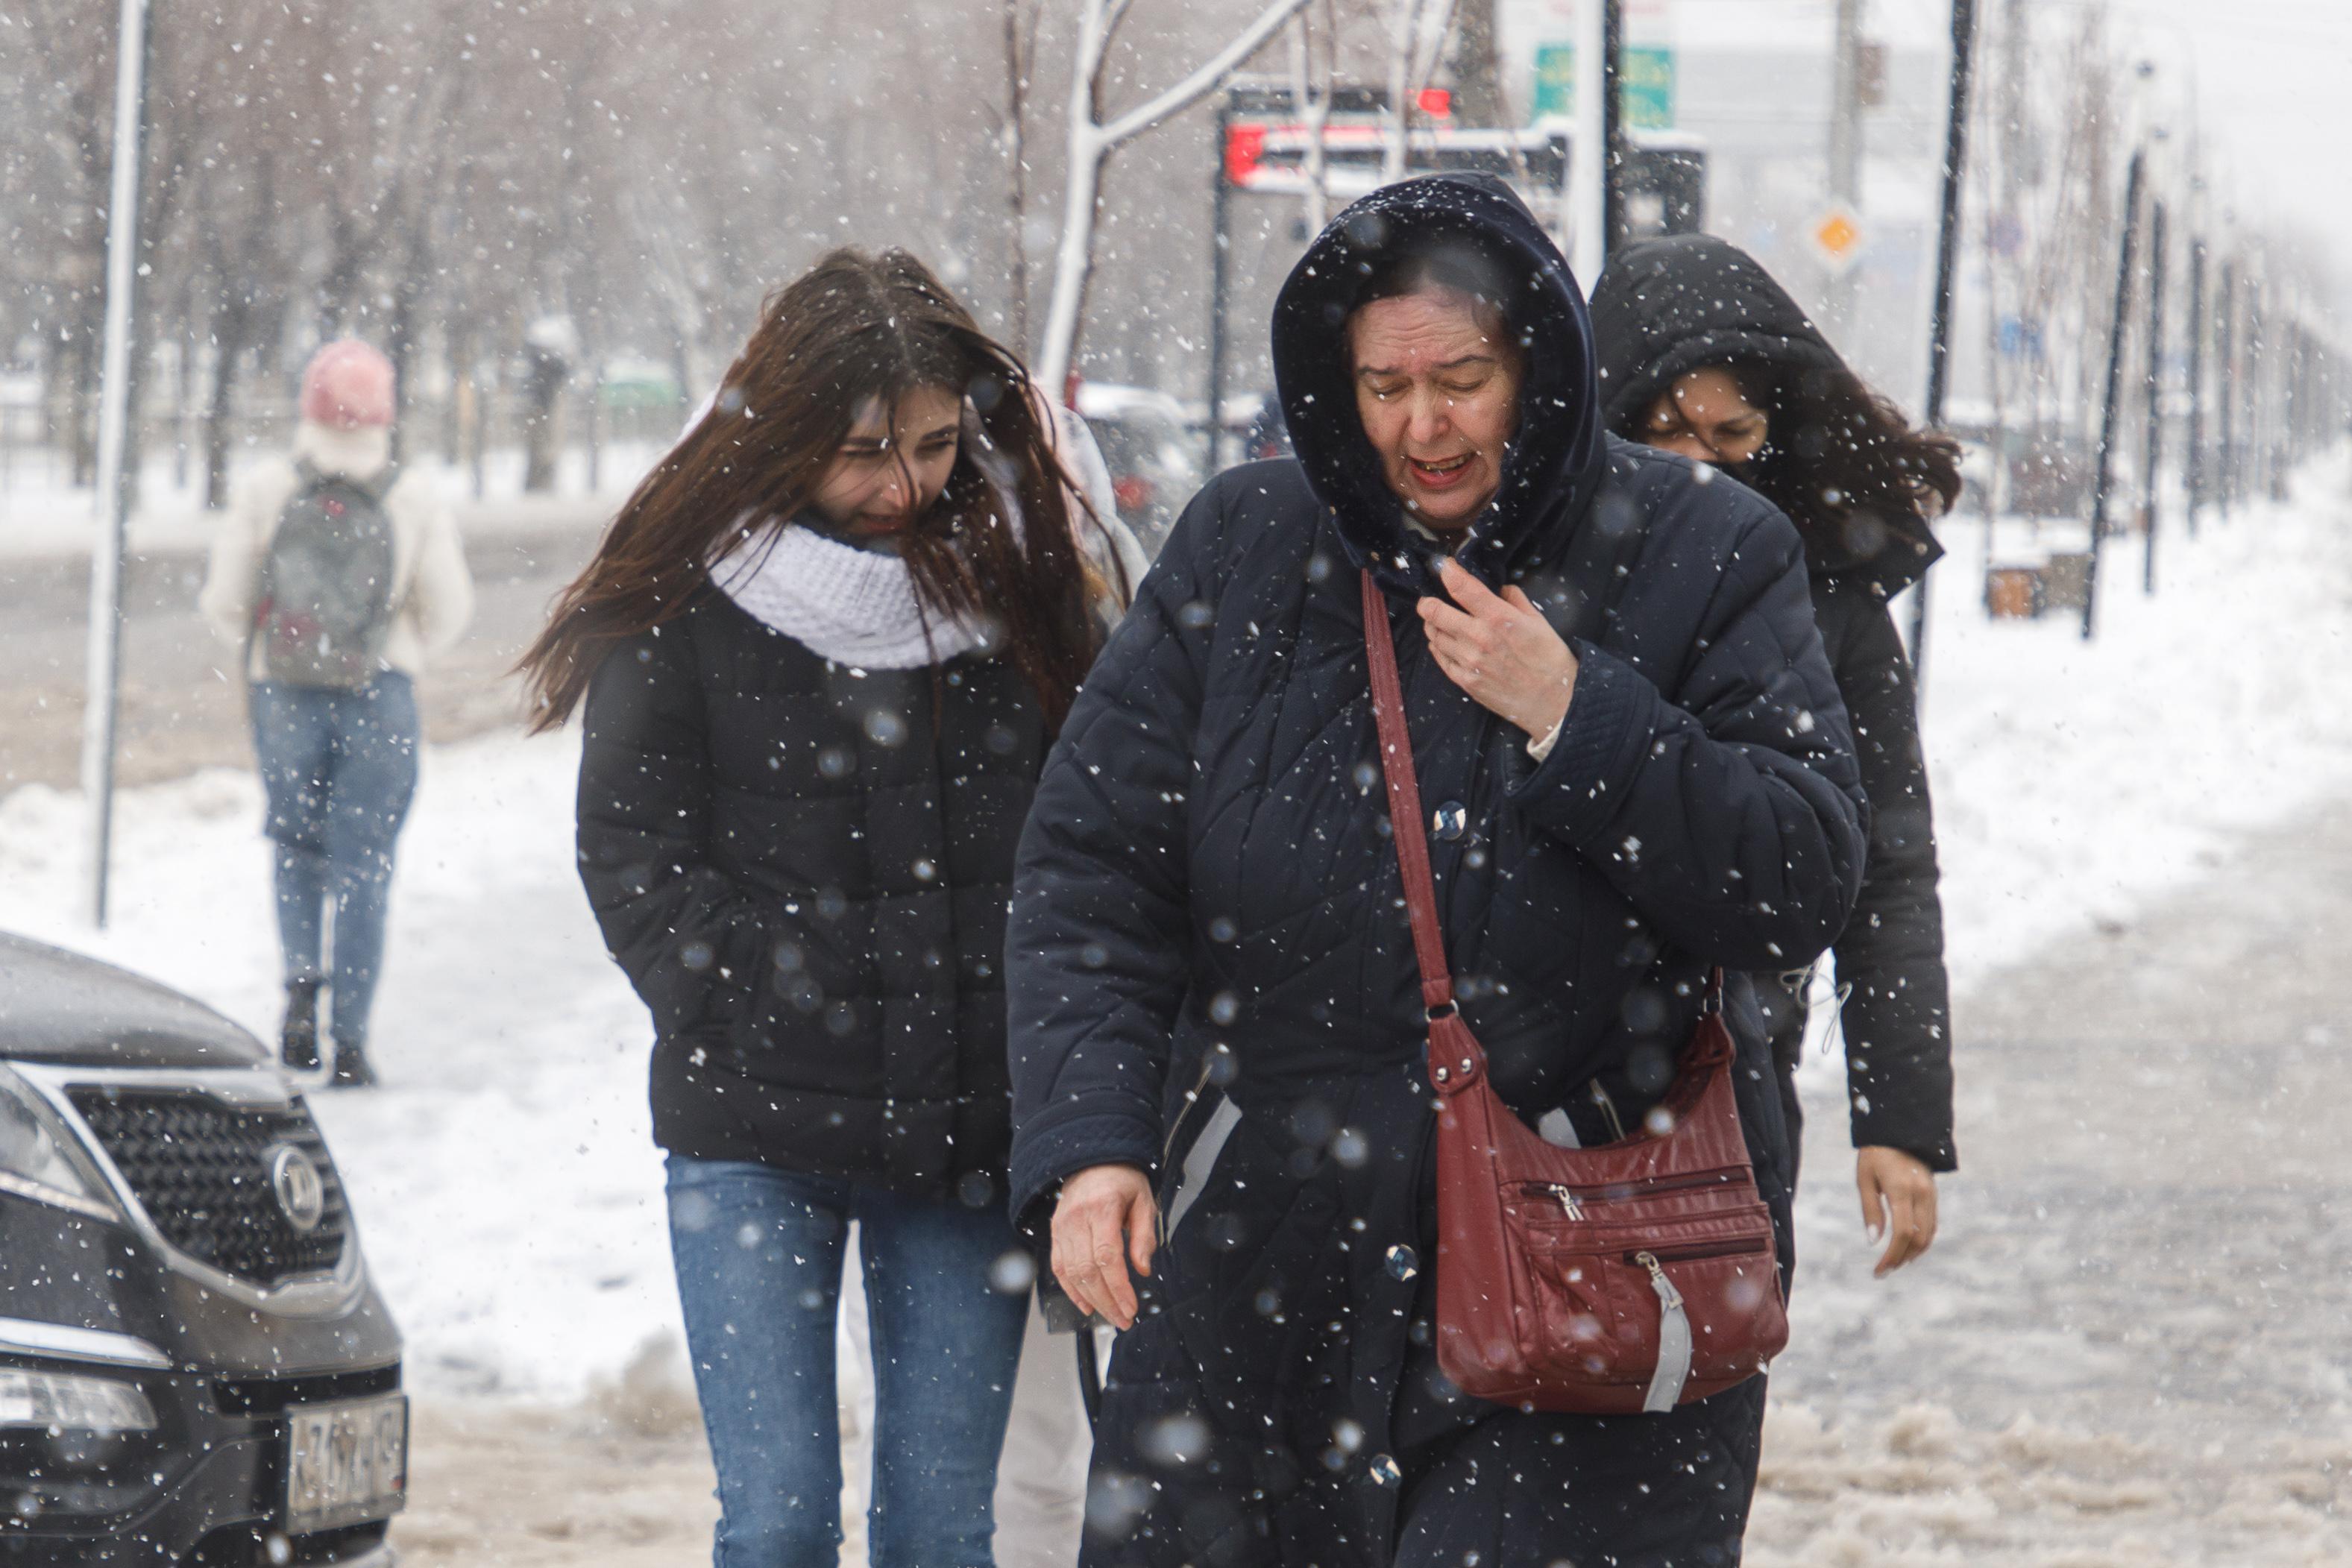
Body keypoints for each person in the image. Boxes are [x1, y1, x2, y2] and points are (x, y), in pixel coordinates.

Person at [1006, 174, 1869, 1567]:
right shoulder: (1244, 546)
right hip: (1261, 1277)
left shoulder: (1706, 548)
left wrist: (1577, 715)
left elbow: (1800, 872)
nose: (1420, 425)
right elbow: (1089, 872)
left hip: (1584, 1252)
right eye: (1381, 385)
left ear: (1537, 360)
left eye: (1460, 378)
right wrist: (1090, 1140)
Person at [518, 248, 1140, 1568]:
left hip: (966, 1133)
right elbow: (629, 844)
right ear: (787, 434)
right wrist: (751, 994)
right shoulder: (689, 596)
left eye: (930, 445)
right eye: (862, 450)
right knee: (778, 1522)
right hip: (752, 1127)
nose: (903, 487)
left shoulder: (1020, 590)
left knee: (934, 1528)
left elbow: (1091, 841)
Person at [1588, 232, 1959, 1276]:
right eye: (1658, 430)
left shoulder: (1829, 616)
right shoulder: (1525, 593)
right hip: (1519, 1085)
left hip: (1733, 1077)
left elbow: (1886, 870)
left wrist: (1898, 1113)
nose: (1695, 462)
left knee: (1707, 1367)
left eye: (1728, 431)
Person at [201, 339, 473, 1087]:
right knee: (365, 866)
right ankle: (351, 1039)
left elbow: (224, 599)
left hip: (283, 689)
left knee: (295, 847)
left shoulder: (267, 486)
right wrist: (384, 645)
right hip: (379, 691)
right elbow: (450, 608)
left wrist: (281, 647)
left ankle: (299, 985)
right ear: (385, 413)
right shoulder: (411, 493)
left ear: (308, 406)